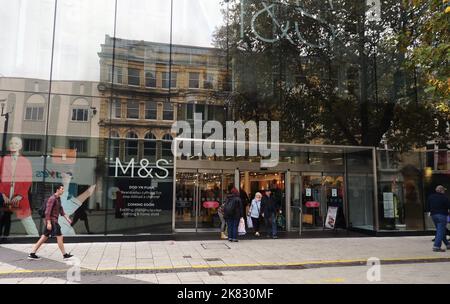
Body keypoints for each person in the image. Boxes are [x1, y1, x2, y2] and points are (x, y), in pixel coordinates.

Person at [0, 137, 38, 236]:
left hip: (19, 197)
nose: (13, 145)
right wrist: (3, 194)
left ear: (20, 146)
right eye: (11, 143)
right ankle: (4, 237)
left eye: (16, 143)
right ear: (9, 145)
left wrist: (20, 195)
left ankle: (35, 239)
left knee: (27, 221)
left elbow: (27, 181)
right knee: (3, 218)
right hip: (5, 197)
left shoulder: (25, 162)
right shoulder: (3, 160)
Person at [28, 185, 74, 260]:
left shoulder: (58, 198)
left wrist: (67, 218)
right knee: (60, 236)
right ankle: (65, 255)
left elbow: (61, 209)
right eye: (62, 189)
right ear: (57, 190)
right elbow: (47, 212)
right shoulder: (52, 199)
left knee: (44, 237)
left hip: (53, 221)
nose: (63, 190)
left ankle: (32, 253)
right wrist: (48, 223)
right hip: (52, 221)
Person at [426, 185, 450, 252]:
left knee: (442, 230)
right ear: (441, 190)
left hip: (434, 216)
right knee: (440, 231)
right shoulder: (444, 198)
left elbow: (427, 206)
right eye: (444, 190)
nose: (444, 191)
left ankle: (447, 244)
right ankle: (436, 246)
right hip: (442, 215)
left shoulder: (431, 197)